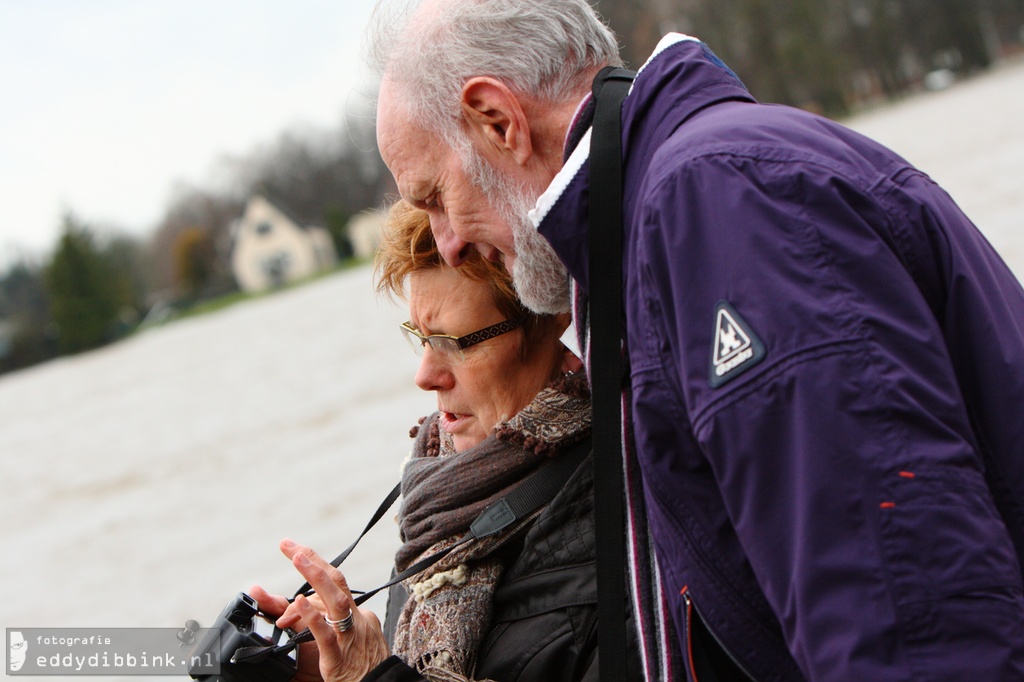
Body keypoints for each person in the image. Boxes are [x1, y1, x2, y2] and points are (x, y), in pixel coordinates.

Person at [369, 1, 1024, 680]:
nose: (448, 241)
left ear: (497, 121)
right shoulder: (682, 204)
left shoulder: (718, 204)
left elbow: (904, 615)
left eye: (438, 197)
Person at [251, 200, 625, 682]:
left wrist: (374, 674)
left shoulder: (622, 533)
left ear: (557, 322)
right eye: (421, 338)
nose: (425, 376)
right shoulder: (440, 503)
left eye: (454, 342)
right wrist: (334, 669)